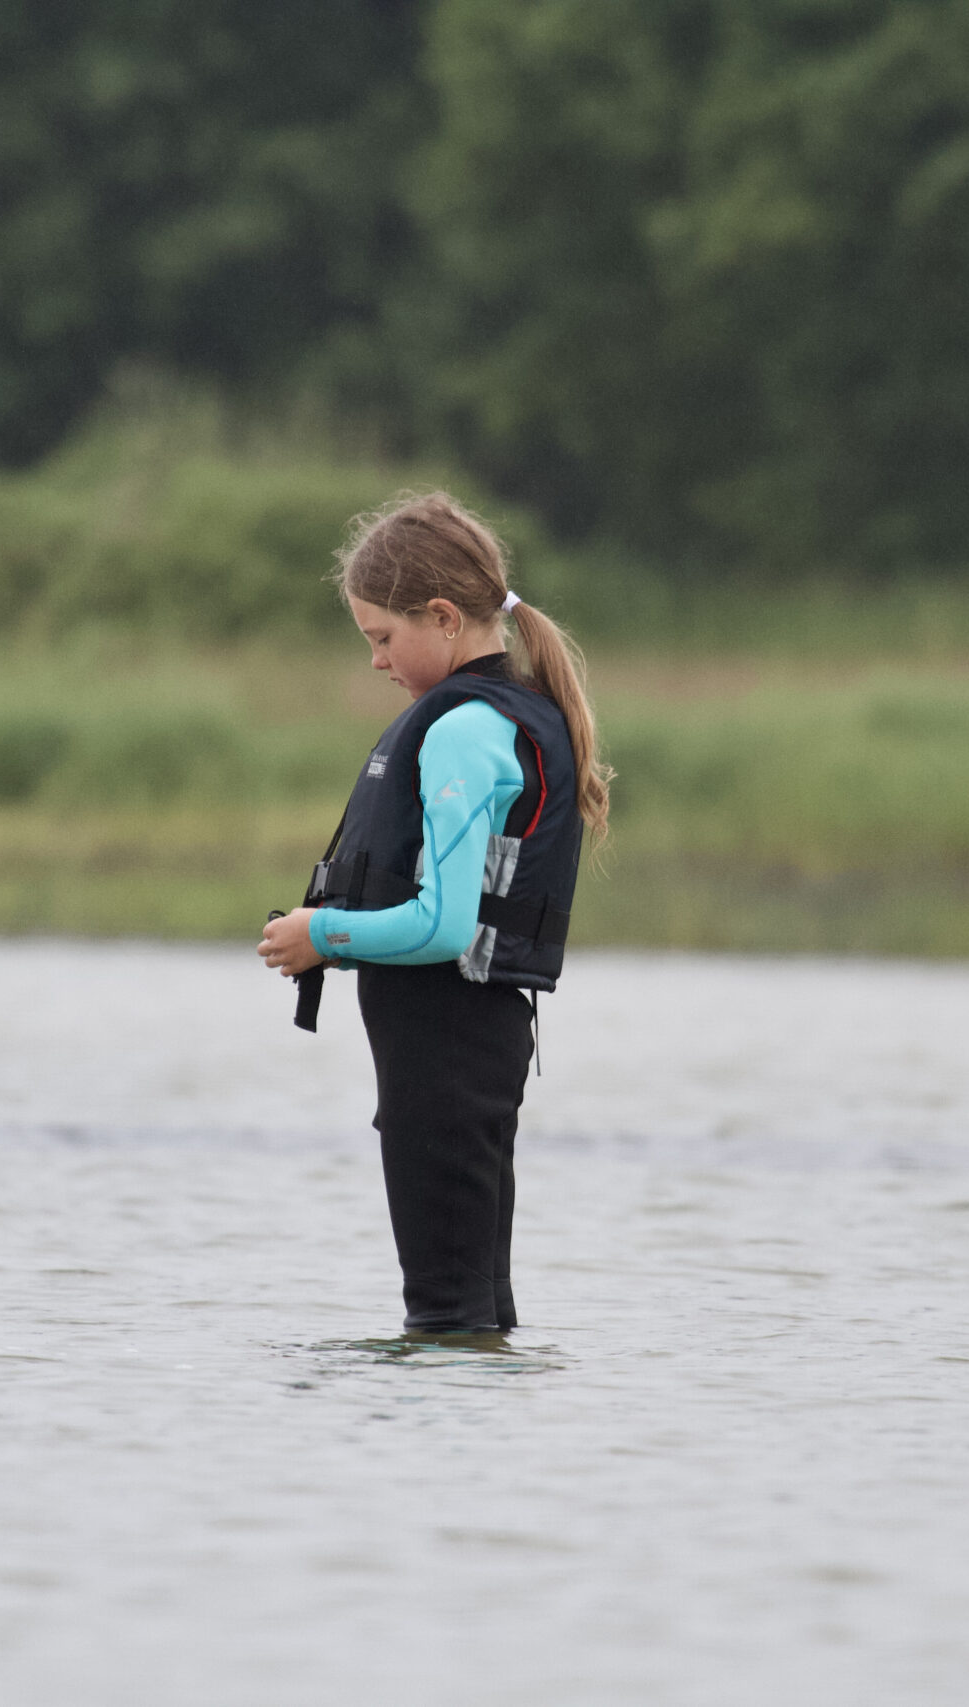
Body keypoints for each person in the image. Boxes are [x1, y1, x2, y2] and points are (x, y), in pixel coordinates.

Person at [257, 492, 611, 1334]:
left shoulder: (461, 732)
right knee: (477, 1317)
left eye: (383, 637)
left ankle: (440, 1464)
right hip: (472, 1048)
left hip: (446, 1057)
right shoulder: (515, 715)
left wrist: (321, 935)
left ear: (444, 618)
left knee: (445, 1321)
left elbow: (444, 927)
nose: (378, 661)